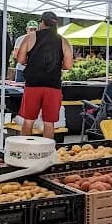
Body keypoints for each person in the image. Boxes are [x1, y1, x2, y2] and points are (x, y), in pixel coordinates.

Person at [16, 11, 74, 139]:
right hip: (53, 85)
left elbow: (20, 59)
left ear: (42, 22)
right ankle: (47, 153)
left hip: (33, 85)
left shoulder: (30, 37)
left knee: (28, 120)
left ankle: (24, 149)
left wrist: (31, 61)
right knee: (49, 123)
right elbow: (69, 65)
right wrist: (59, 65)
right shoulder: (63, 40)